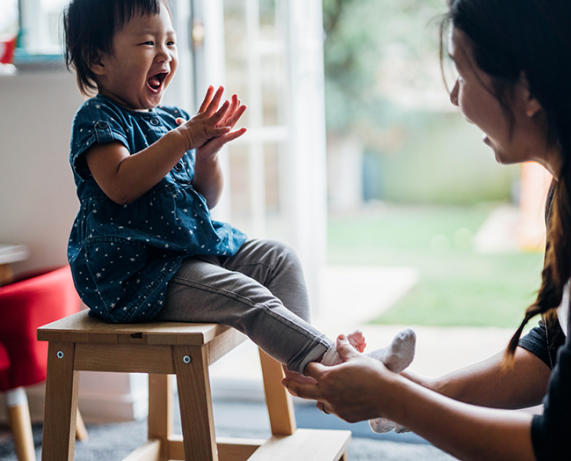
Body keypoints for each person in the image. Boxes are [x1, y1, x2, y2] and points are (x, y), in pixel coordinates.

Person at [285, 0, 571, 459]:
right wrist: (425, 390)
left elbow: (568, 447)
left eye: (463, 74)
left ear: (528, 89)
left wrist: (394, 398)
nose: (455, 97)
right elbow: (557, 349)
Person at [62, 0, 416, 418]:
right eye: (147, 42)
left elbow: (203, 199)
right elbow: (120, 184)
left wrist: (207, 157)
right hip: (137, 274)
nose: (166, 54)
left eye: (170, 42)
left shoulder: (172, 121)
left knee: (279, 259)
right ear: (97, 59)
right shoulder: (99, 118)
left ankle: (310, 371)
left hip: (186, 253)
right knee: (245, 296)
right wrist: (185, 137)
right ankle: (342, 371)